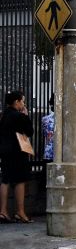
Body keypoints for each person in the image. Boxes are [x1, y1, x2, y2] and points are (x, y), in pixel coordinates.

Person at [0, 91, 34, 223]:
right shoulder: (19, 116)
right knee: (20, 180)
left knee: (5, 180)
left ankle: (3, 211)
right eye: (22, 101)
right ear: (16, 102)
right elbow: (30, 131)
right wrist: (26, 116)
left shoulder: (4, 115)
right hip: (18, 152)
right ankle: (20, 211)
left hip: (5, 151)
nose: (23, 104)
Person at [42, 94, 55, 162]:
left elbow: (45, 134)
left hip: (48, 152)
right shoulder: (66, 120)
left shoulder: (45, 119)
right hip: (64, 153)